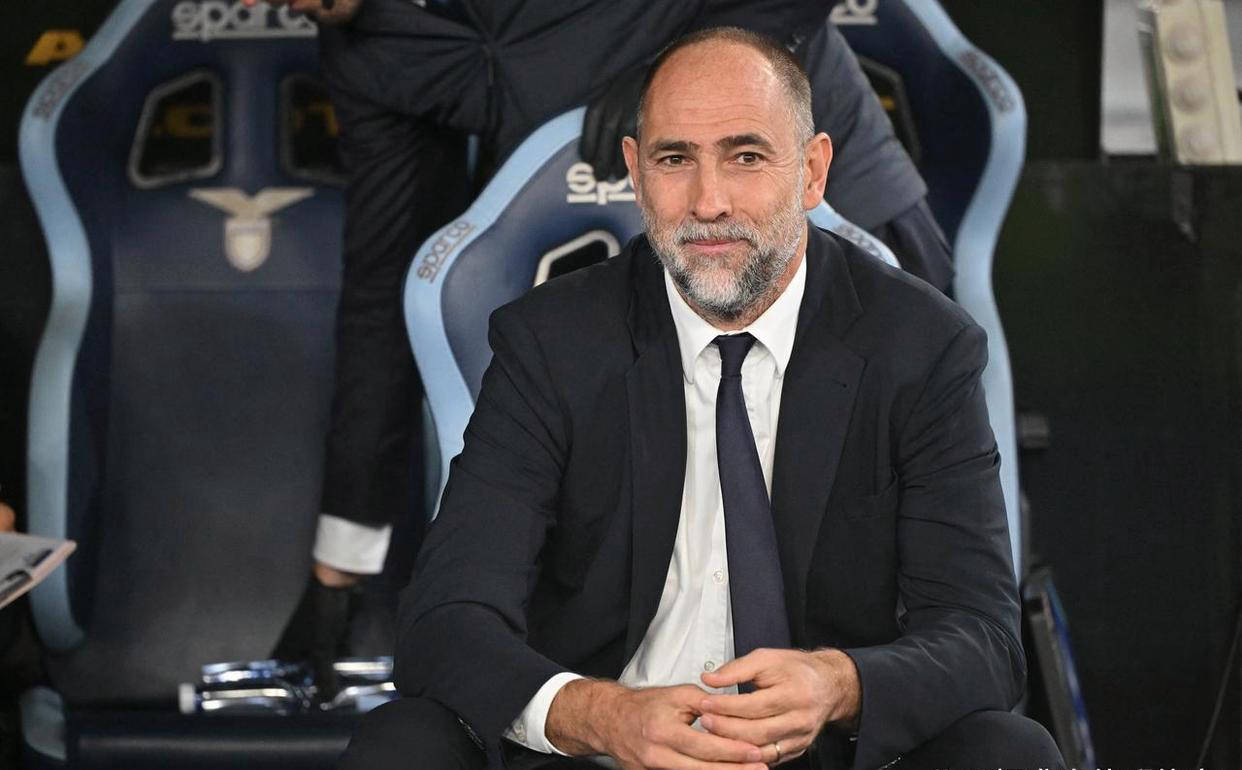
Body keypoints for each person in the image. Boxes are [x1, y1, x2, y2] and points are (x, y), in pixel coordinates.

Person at [337, 26, 1063, 770]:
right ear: (635, 173)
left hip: (819, 755)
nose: (708, 202)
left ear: (813, 172)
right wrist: (599, 716)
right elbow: (445, 621)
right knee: (401, 746)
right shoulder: (551, 343)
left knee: (1009, 751)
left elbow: (983, 639)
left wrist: (838, 684)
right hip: (606, 752)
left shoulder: (922, 346)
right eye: (674, 160)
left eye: (746, 157)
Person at [269, 0, 952, 703]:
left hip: (817, 203)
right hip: (618, 249)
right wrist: (338, 573)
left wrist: (665, 67)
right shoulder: (368, 51)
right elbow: (389, 297)